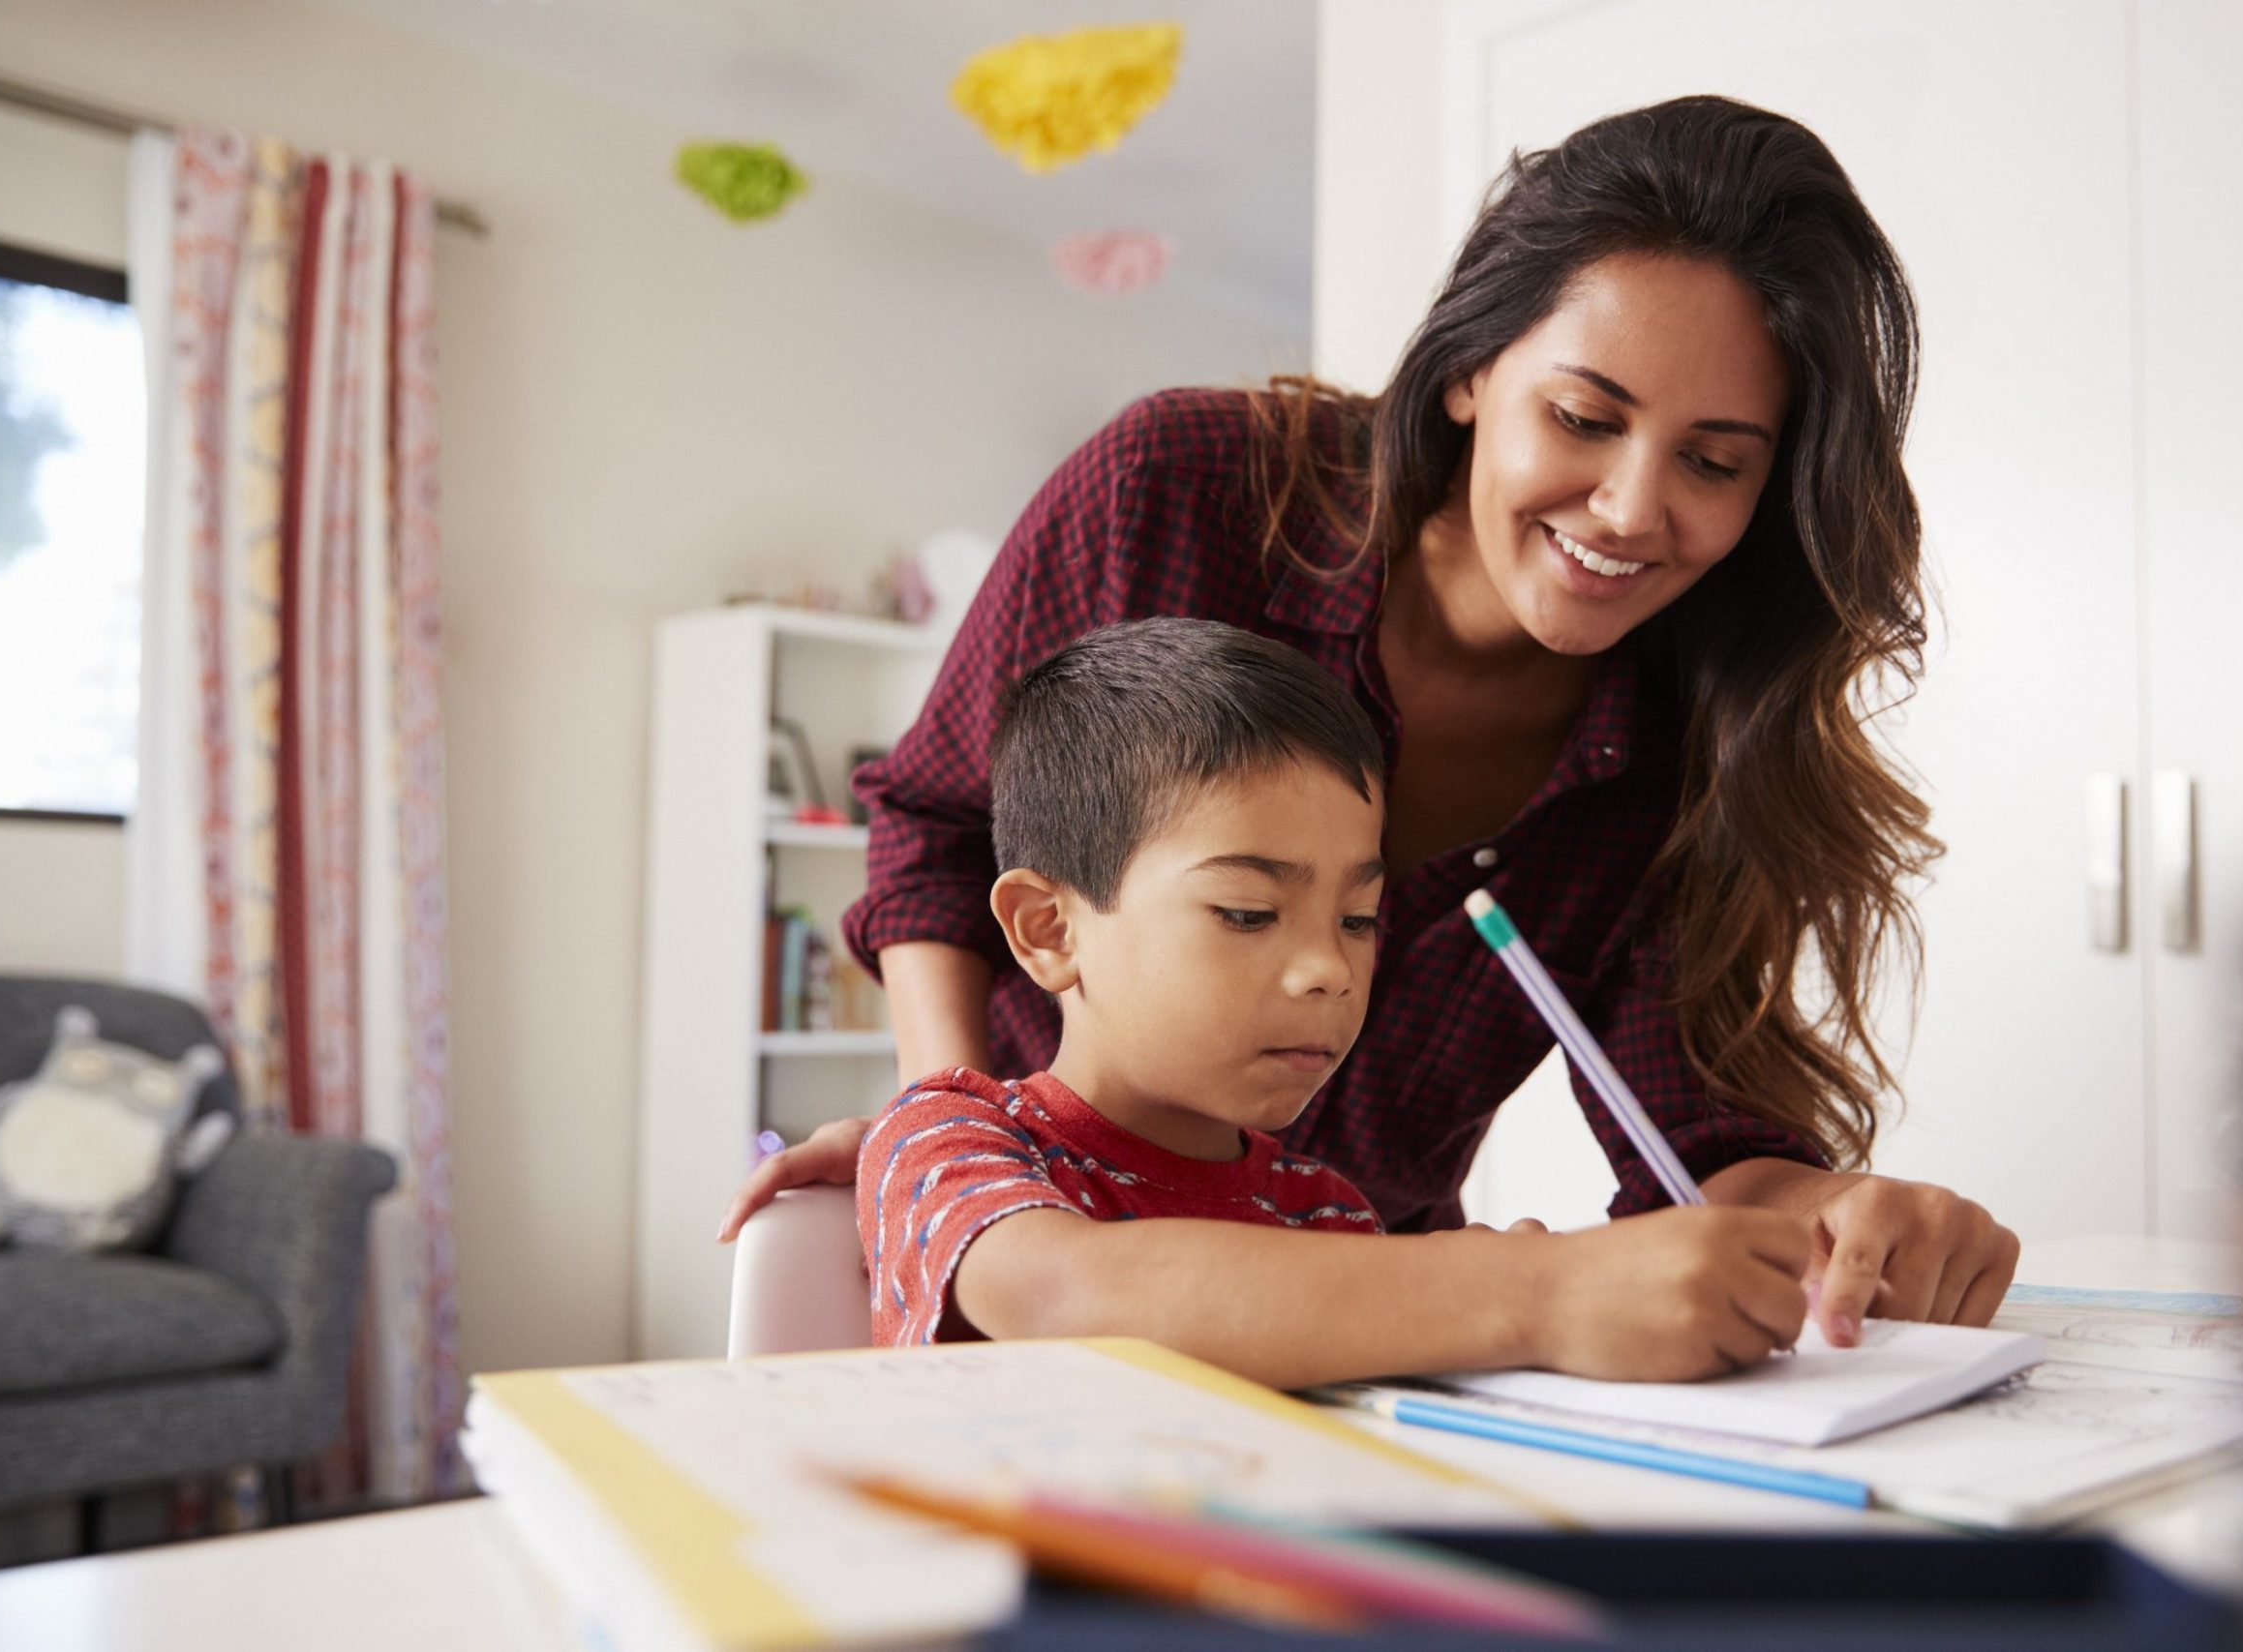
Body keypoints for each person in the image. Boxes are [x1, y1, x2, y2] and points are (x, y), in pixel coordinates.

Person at [724, 94, 2019, 1346]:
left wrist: (1834, 1216)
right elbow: (941, 828)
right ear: (1468, 368)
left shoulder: (1692, 742)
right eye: (1583, 417)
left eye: (1716, 460)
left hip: (1363, 1335)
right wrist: (945, 1116)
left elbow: (1698, 1152)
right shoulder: (1176, 490)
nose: (1631, 506)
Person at [860, 616, 1812, 1390]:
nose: (1329, 969)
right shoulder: (950, 1138)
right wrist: (1531, 1292)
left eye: (1358, 919)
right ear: (1047, 929)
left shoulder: (1321, 1216)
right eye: (1247, 911)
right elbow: (1066, 1298)